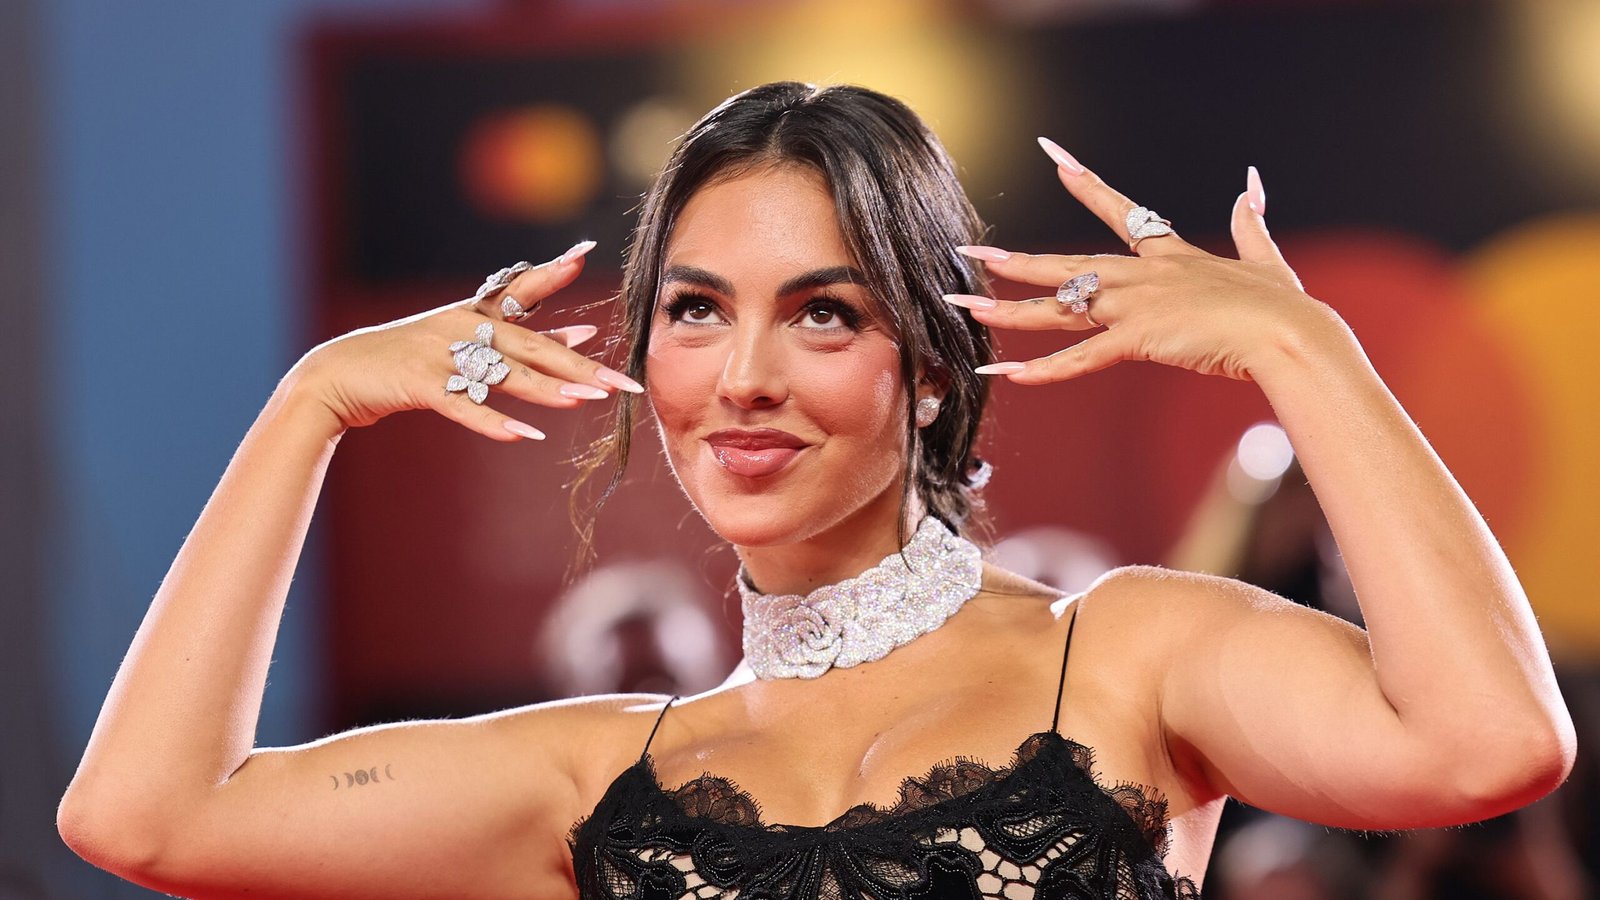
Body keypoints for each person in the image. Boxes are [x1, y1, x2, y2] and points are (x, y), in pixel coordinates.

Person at [57, 82, 1575, 899]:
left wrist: (1311, 355)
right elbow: (148, 818)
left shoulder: (1125, 656)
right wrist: (308, 402)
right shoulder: (598, 781)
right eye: (698, 311)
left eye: (826, 313)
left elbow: (1485, 745)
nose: (744, 378)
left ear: (927, 362)